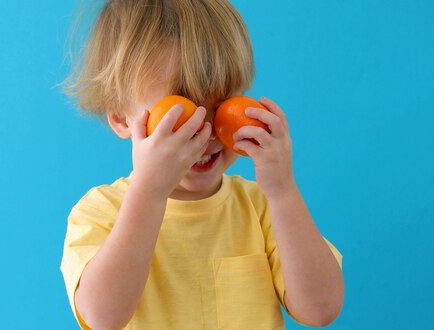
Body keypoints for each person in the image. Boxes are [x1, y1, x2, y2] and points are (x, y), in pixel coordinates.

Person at [59, 1, 344, 329]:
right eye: (179, 113)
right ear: (121, 117)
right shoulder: (100, 212)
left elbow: (321, 309)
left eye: (223, 105)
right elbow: (103, 318)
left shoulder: (262, 207)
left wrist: (282, 191)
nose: (207, 133)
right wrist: (150, 192)